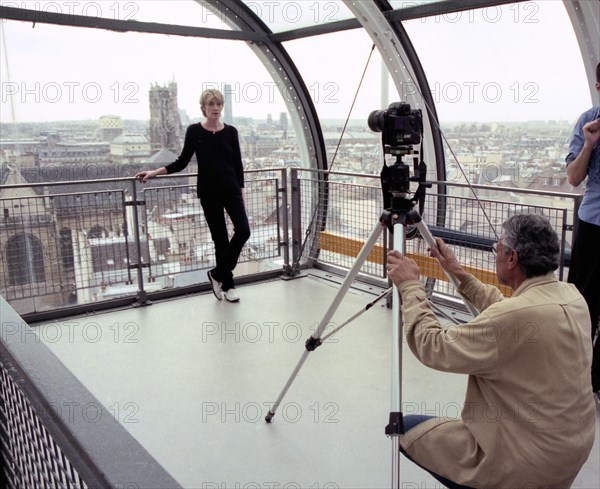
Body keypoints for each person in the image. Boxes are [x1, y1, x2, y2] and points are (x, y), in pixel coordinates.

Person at [386, 213, 595, 489]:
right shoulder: (572, 296)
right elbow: (509, 309)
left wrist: (410, 285)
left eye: (497, 248)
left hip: (523, 466)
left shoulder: (512, 318)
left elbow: (433, 346)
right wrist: (457, 272)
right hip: (568, 453)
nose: (495, 253)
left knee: (404, 430)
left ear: (512, 258)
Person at [136, 88, 250, 302]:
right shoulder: (194, 131)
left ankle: (216, 274)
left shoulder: (231, 132)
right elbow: (182, 161)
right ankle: (228, 285)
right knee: (220, 240)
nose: (215, 108)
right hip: (209, 192)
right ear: (203, 108)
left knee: (244, 231)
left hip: (232, 189)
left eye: (218, 104)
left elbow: (238, 165)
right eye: (211, 105)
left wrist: (242, 192)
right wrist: (154, 172)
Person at [566, 62, 600, 394]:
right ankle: (576, 377)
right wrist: (590, 144)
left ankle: (596, 380)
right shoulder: (588, 121)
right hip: (593, 224)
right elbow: (574, 179)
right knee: (582, 305)